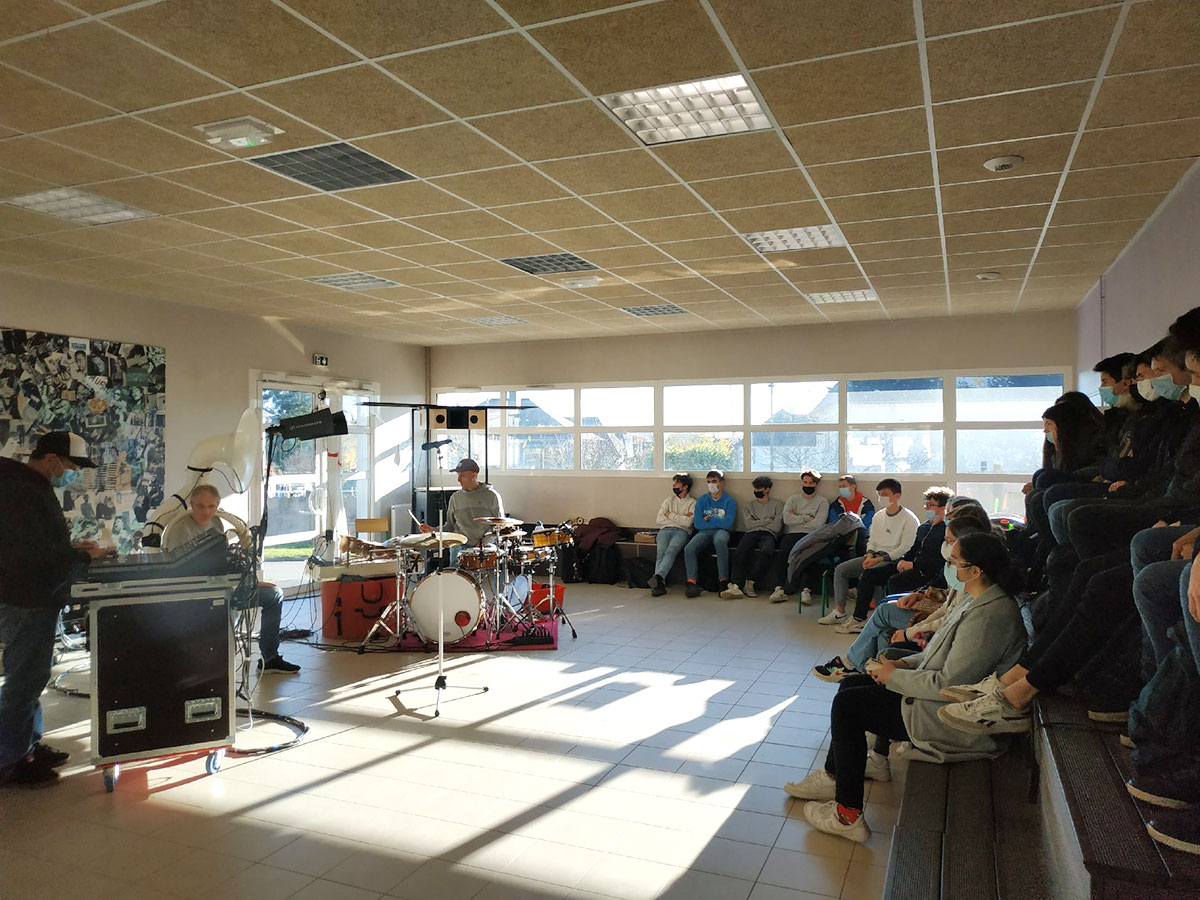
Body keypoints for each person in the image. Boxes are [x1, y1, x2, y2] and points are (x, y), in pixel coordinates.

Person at [785, 533, 1027, 843]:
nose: (949, 565)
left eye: (954, 561)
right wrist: (901, 665)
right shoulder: (975, 597)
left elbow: (949, 685)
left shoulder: (990, 616)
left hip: (954, 716)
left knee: (848, 708)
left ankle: (846, 815)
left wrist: (893, 678)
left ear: (976, 570)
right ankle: (835, 776)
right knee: (851, 685)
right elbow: (937, 654)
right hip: (939, 699)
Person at [0, 432, 109, 787]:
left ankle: (28, 745)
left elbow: (39, 545)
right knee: (23, 680)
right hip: (26, 599)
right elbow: (30, 556)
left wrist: (73, 550)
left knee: (33, 677)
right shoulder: (19, 491)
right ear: (52, 460)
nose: (72, 474)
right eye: (71, 467)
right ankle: (12, 761)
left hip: (36, 597)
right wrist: (81, 557)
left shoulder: (29, 486)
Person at [812, 515, 990, 684]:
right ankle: (872, 673)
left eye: (949, 541)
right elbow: (945, 600)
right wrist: (920, 594)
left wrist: (908, 632)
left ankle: (852, 663)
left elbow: (946, 620)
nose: (945, 545)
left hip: (939, 632)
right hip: (932, 611)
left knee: (884, 612)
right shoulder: (957, 569)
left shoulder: (973, 587)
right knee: (884, 629)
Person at [163, 485, 300, 674]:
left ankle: (269, 658)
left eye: (211, 506)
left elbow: (224, 561)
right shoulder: (180, 530)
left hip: (226, 587)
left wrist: (251, 581)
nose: (206, 511)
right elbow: (181, 573)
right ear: (192, 505)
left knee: (274, 595)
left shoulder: (216, 522)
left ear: (217, 505)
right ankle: (215, 664)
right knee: (228, 608)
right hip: (200, 595)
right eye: (200, 506)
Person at [819, 479, 919, 629]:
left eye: (885, 494)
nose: (881, 498)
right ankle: (839, 611)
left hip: (893, 560)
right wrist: (870, 555)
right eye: (879, 494)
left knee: (871, 573)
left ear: (897, 495)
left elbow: (905, 548)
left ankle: (874, 616)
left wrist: (878, 560)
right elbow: (871, 540)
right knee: (841, 570)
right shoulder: (878, 516)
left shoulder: (909, 519)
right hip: (873, 556)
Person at [768, 470, 830, 603]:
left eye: (811, 483)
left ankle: (806, 590)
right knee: (783, 553)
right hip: (792, 533)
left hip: (812, 535)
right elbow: (787, 519)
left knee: (809, 555)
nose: (807, 485)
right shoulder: (793, 499)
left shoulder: (822, 501)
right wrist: (807, 518)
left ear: (816, 484)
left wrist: (796, 517)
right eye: (805, 482)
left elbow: (818, 523)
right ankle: (779, 588)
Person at [419, 458, 503, 551]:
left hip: (484, 549)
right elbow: (449, 526)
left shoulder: (492, 496)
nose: (458, 479)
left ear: (474, 475)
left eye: (462, 475)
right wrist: (433, 530)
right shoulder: (455, 498)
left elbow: (500, 525)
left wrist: (485, 541)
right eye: (458, 475)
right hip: (458, 548)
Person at [721, 476, 782, 600]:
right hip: (751, 533)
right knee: (741, 551)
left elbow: (776, 527)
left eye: (760, 489)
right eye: (755, 489)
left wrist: (757, 521)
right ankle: (735, 586)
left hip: (768, 534)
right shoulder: (748, 505)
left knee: (767, 551)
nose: (756, 491)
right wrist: (767, 520)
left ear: (767, 489)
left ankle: (751, 582)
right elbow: (749, 525)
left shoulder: (777, 505)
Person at [683, 469, 736, 598]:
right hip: (704, 532)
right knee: (689, 548)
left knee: (720, 541)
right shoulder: (702, 500)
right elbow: (698, 523)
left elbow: (727, 524)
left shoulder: (730, 502)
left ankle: (723, 580)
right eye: (708, 482)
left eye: (714, 481)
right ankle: (691, 582)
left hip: (722, 532)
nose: (711, 484)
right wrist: (718, 521)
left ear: (721, 482)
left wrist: (709, 519)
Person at [648, 473, 695, 597]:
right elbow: (659, 519)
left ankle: (658, 578)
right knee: (660, 553)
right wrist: (681, 517)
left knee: (671, 551)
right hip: (664, 530)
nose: (674, 486)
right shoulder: (669, 500)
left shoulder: (692, 502)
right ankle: (659, 584)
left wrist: (669, 514)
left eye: (677, 483)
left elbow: (688, 523)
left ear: (685, 486)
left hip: (682, 531)